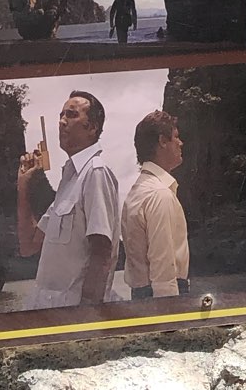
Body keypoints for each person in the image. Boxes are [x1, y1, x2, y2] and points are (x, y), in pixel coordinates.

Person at [16, 90, 120, 309]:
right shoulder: (69, 181)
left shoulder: (95, 173)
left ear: (92, 127)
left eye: (71, 115)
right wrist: (23, 186)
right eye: (61, 115)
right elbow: (28, 245)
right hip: (47, 311)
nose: (62, 121)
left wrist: (86, 315)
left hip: (72, 313)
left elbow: (102, 250)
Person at [121, 110, 190, 300]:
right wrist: (170, 319)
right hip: (161, 295)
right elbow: (163, 270)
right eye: (175, 137)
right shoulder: (159, 194)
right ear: (162, 141)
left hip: (141, 295)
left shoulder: (137, 192)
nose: (180, 142)